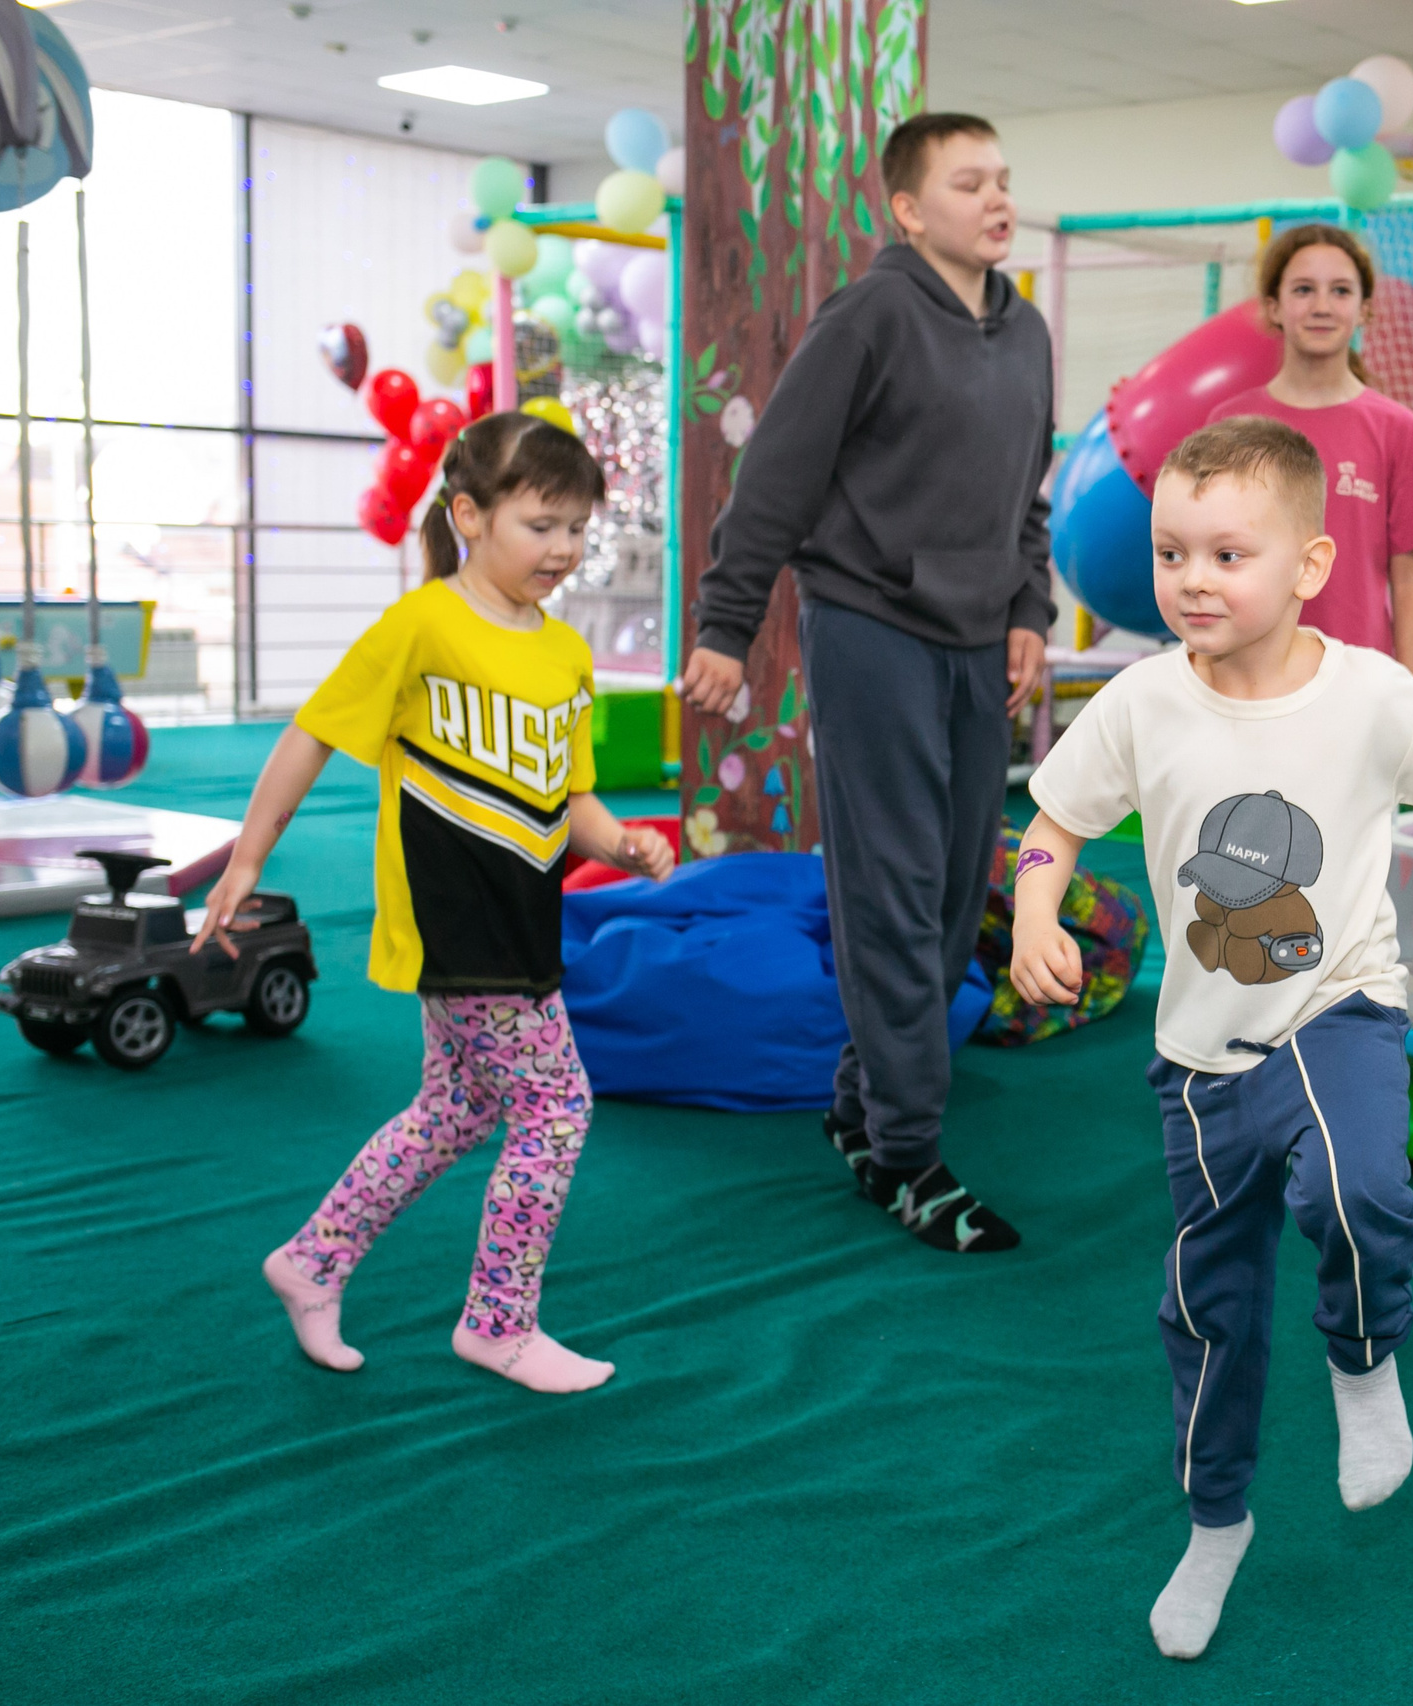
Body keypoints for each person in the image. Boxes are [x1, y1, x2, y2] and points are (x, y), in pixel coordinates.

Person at [1010, 417, 1413, 1661]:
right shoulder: (1142, 700)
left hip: (1340, 1006)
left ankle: (1364, 1362)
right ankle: (1216, 1521)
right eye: (1170, 554)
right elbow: (1050, 817)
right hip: (1200, 1058)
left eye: (1226, 554)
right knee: (1208, 1306)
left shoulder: (1369, 690)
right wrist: (1034, 908)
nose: (1192, 580)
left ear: (1311, 564)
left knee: (1359, 1189)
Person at [213, 415, 677, 1394]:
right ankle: (498, 1319)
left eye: (577, 529)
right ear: (469, 513)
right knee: (556, 1107)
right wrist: (247, 855)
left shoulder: (563, 654)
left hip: (522, 918)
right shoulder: (422, 624)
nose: (564, 548)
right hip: (453, 923)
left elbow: (570, 797)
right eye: (541, 523)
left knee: (457, 1107)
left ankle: (314, 1259)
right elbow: (314, 732)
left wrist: (621, 845)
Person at [680, 112, 1052, 1254]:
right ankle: (905, 1154)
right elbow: (777, 480)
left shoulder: (1028, 329)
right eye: (966, 181)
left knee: (951, 889)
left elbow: (1023, 496)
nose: (996, 197)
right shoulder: (871, 316)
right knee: (890, 890)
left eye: (1001, 178)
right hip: (871, 629)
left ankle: (862, 1098)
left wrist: (1029, 610)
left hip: (976, 640)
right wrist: (727, 627)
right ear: (906, 208)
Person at [1207, 223, 1413, 674]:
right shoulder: (1229, 426)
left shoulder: (1399, 430)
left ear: (1365, 309)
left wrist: (1407, 696)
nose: (1321, 306)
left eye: (1339, 291)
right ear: (1274, 307)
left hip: (1356, 682)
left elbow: (1410, 579)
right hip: (1247, 677)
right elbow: (1209, 562)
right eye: (1303, 289)